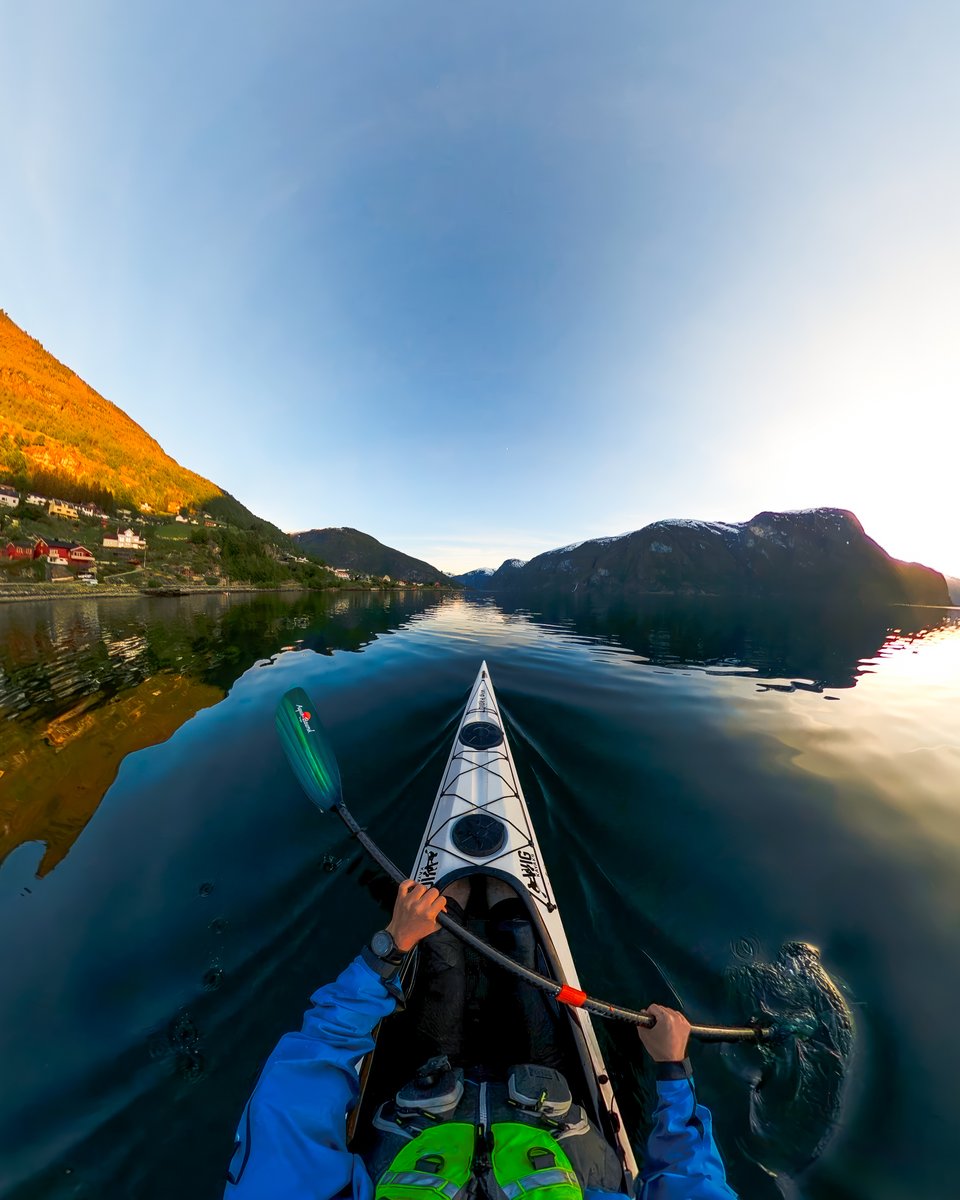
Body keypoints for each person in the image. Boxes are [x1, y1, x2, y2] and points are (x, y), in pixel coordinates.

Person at [224, 881, 739, 1200]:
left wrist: (387, 952)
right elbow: (693, 1189)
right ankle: (502, 927)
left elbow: (293, 1094)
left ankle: (448, 933)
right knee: (541, 1038)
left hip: (422, 1117)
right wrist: (672, 1073)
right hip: (551, 1126)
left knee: (437, 1015)